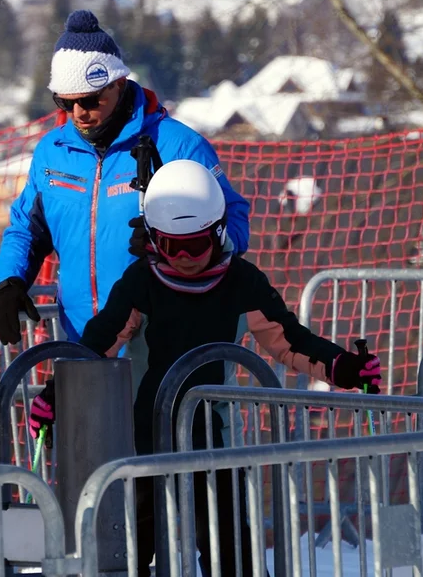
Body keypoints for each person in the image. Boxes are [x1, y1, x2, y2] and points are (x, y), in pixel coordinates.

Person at [25, 159, 383, 576]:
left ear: (217, 232)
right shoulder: (142, 280)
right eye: (169, 244)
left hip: (213, 438)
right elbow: (97, 343)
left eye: (194, 245)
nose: (183, 257)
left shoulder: (241, 282)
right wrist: (56, 395)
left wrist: (344, 367)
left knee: (228, 546)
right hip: (145, 437)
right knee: (130, 548)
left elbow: (289, 341)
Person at [0, 9, 251, 348]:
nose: (79, 114)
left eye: (91, 100)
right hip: (86, 345)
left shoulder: (178, 146)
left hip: (166, 346)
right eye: (66, 103)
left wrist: (177, 243)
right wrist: (8, 283)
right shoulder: (50, 152)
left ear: (117, 84)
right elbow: (26, 229)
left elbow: (235, 225)